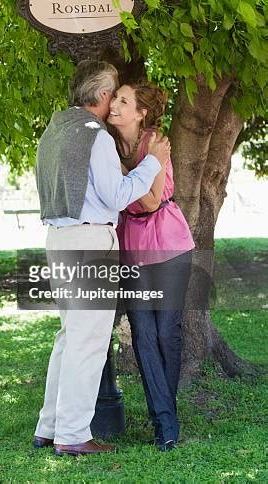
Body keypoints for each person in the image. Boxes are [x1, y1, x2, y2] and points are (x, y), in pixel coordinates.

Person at [33, 60, 171, 457]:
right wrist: (152, 163)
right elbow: (116, 196)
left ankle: (50, 425)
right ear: (102, 94)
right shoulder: (96, 137)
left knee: (68, 337)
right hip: (90, 240)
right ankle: (73, 435)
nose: (114, 102)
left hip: (57, 239)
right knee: (89, 341)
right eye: (113, 93)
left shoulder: (55, 128)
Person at [107, 81, 195, 452]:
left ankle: (165, 416)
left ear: (140, 113)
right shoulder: (107, 147)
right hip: (133, 248)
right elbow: (133, 197)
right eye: (115, 98)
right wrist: (138, 177)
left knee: (167, 333)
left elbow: (151, 199)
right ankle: (165, 421)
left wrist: (126, 182)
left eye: (123, 101)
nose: (114, 104)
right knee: (143, 334)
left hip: (171, 244)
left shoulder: (155, 140)